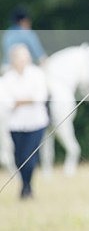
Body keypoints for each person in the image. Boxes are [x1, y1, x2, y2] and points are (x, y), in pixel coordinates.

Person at [0, 44, 49, 198]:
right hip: (16, 125)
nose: (23, 60)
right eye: (20, 57)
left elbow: (40, 97)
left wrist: (19, 101)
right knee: (19, 157)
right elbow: (6, 101)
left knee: (30, 157)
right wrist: (28, 100)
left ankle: (27, 187)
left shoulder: (37, 74)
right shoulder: (7, 78)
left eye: (25, 57)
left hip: (36, 123)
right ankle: (25, 185)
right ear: (13, 60)